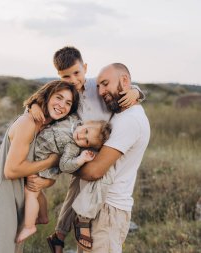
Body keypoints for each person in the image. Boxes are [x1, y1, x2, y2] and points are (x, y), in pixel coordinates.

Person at [28, 46, 146, 251]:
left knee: (92, 182)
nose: (73, 79)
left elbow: (119, 84)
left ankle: (69, 228)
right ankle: (60, 232)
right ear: (59, 76)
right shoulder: (65, 91)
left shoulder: (95, 86)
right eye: (66, 76)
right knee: (76, 186)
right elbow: (44, 97)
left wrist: (137, 91)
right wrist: (33, 106)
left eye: (77, 73)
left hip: (101, 143)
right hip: (80, 143)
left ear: (85, 67)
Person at [0, 80, 79, 253]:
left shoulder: (47, 128)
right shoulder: (27, 123)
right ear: (47, 95)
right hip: (2, 201)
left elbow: (44, 175)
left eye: (68, 103)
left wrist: (45, 182)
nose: (62, 105)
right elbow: (11, 170)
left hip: (18, 204)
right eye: (59, 97)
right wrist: (51, 161)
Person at [16, 116, 112, 243]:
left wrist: (80, 159)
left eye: (86, 141)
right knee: (38, 192)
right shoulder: (70, 120)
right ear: (87, 123)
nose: (81, 137)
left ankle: (29, 226)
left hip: (41, 163)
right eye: (86, 131)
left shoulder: (72, 146)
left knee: (31, 192)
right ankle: (43, 216)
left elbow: (64, 165)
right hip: (36, 150)